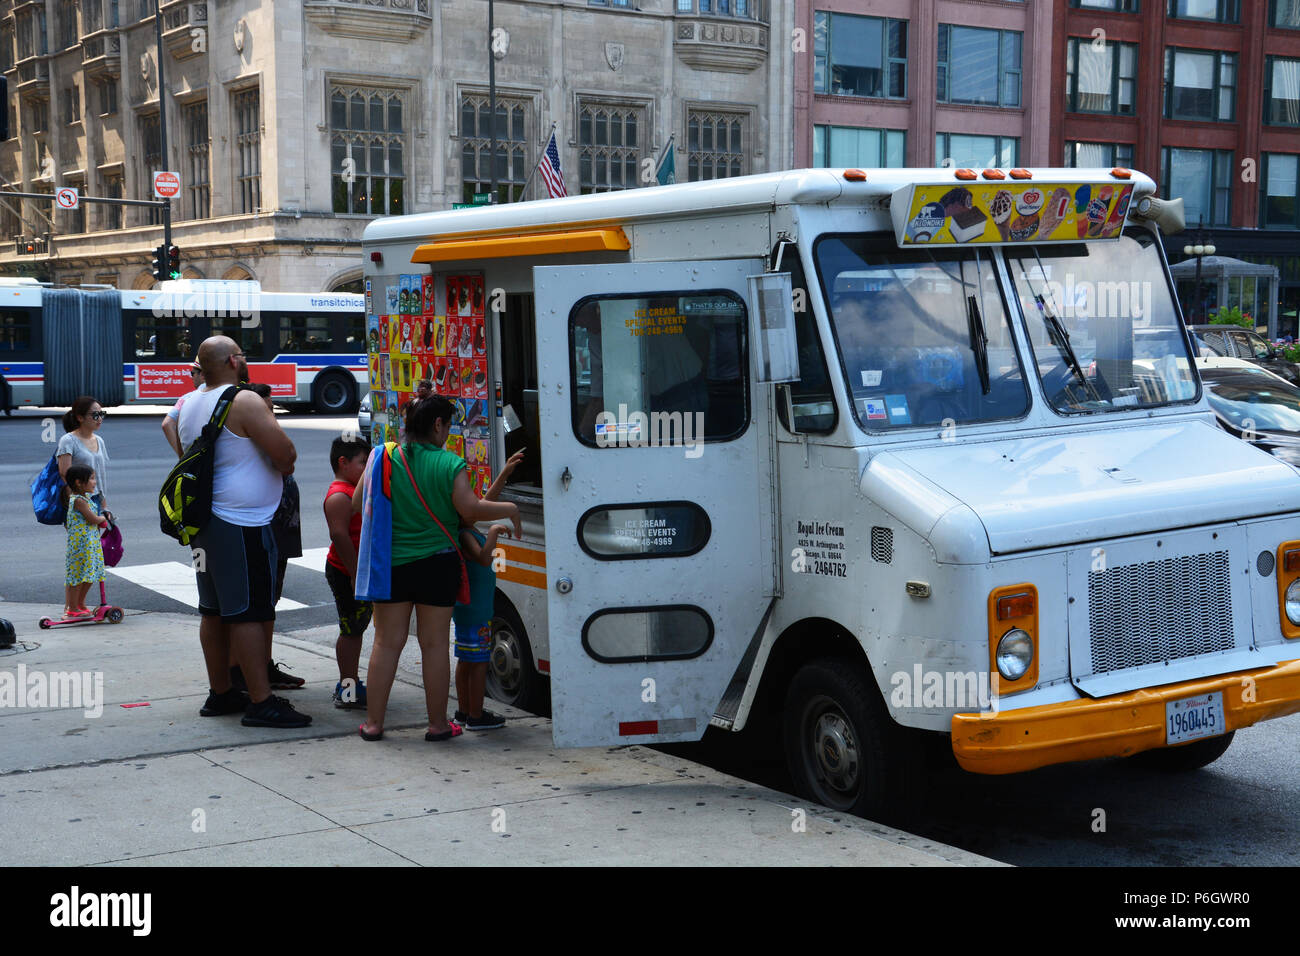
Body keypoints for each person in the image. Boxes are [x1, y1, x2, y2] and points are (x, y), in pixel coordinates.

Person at [352, 389, 521, 742]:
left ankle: (373, 725)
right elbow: (470, 511)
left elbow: (358, 502)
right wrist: (509, 509)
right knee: (434, 645)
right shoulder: (450, 464)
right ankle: (438, 724)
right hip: (438, 566)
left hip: (393, 566)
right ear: (438, 424)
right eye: (448, 426)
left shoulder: (382, 457)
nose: (449, 434)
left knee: (386, 644)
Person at [179, 336, 309, 728]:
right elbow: (285, 456)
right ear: (234, 361)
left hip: (205, 523)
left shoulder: (189, 403)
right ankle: (261, 700)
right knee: (250, 611)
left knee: (214, 610)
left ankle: (221, 692)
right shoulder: (243, 400)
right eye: (244, 355)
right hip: (241, 523)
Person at [231, 383, 305, 692]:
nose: (270, 415)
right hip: (262, 530)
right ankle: (247, 672)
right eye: (266, 410)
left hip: (281, 530)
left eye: (272, 409)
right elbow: (287, 458)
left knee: (269, 603)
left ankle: (263, 665)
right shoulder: (251, 442)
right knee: (254, 606)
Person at [453, 450, 525, 730]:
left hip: (469, 609)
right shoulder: (466, 535)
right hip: (476, 610)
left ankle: (463, 712)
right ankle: (475, 715)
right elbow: (484, 558)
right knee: (479, 661)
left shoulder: (464, 527)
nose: (477, 504)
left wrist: (505, 472)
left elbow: (486, 502)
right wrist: (494, 532)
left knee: (466, 660)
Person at [324, 433, 373, 709]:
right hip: (346, 571)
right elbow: (339, 535)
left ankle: (350, 682)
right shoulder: (340, 496)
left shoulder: (351, 491)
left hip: (352, 570)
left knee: (355, 629)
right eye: (362, 462)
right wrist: (355, 573)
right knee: (351, 630)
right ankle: (348, 687)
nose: (366, 468)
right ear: (343, 462)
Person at [63, 464, 108, 617]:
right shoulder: (78, 500)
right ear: (78, 483)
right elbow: (93, 518)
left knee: (89, 575)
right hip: (81, 546)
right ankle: (73, 608)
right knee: (79, 576)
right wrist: (104, 518)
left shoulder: (86, 498)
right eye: (91, 479)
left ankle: (80, 603)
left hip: (90, 543)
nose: (94, 482)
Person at [57, 396, 111, 515]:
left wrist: (104, 507)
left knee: (95, 534)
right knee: (81, 534)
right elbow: (64, 474)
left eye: (102, 414)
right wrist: (76, 502)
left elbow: (99, 476)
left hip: (96, 498)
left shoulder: (99, 440)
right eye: (95, 415)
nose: (100, 419)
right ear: (80, 417)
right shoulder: (68, 440)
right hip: (79, 500)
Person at [162, 363, 205, 457]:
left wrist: (183, 458)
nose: (191, 377)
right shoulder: (229, 396)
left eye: (192, 373)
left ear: (202, 375)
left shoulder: (185, 399)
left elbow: (166, 424)